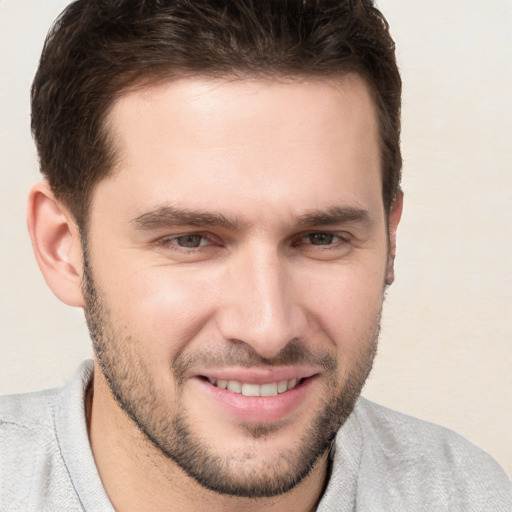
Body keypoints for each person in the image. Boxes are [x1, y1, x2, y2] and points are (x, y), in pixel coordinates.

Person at [0, 0, 510, 510]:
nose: (268, 328)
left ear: (390, 239)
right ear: (62, 247)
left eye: (321, 238)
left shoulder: (469, 494)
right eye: (191, 240)